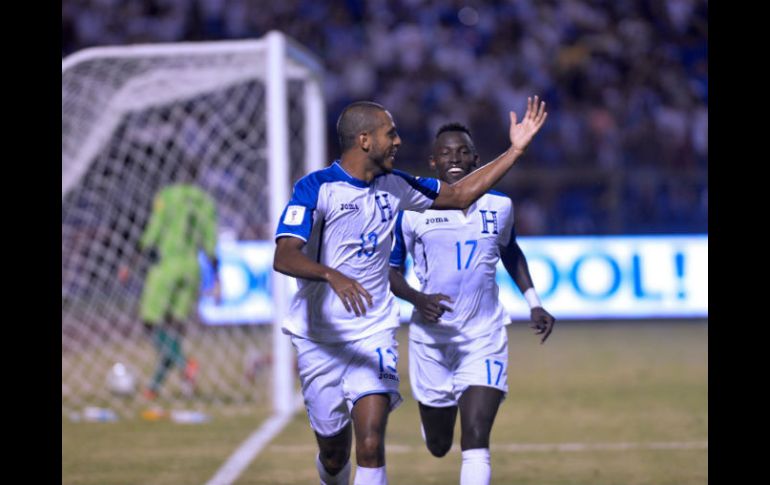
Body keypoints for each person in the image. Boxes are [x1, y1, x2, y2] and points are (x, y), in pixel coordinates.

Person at [273, 97, 547, 485]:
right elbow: (284, 256)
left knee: (370, 442)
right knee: (334, 454)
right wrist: (331, 275)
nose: (399, 141)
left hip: (374, 332)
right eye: (391, 133)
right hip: (320, 338)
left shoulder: (396, 185)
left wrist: (515, 150)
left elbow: (460, 194)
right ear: (365, 140)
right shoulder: (316, 188)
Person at [388, 122, 556, 485]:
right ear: (432, 162)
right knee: (438, 443)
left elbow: (511, 252)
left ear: (476, 159)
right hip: (432, 341)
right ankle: (433, 420)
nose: (455, 158)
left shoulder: (501, 206)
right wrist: (417, 298)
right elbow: (390, 272)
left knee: (476, 437)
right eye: (446, 153)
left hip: (484, 336)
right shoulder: (411, 212)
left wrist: (534, 302)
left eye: (463, 152)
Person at [119, 165, 221, 400]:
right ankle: (153, 388)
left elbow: (152, 233)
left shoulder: (166, 196)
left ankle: (185, 364)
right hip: (192, 269)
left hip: (167, 267)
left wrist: (130, 263)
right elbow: (210, 242)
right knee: (174, 330)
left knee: (150, 324)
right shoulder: (205, 201)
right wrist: (216, 278)